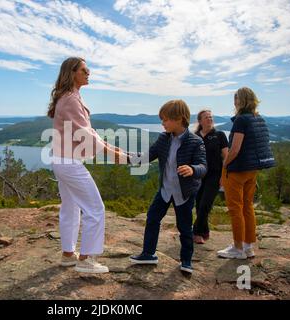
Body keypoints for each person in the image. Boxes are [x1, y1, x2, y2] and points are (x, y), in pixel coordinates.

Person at [47, 57, 127, 273]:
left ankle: (68, 255)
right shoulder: (71, 99)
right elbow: (86, 136)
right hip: (69, 163)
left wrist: (114, 149)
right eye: (84, 69)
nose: (88, 72)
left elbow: (88, 133)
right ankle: (86, 260)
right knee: (95, 209)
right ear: (72, 73)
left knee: (71, 208)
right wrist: (113, 154)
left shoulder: (69, 97)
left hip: (62, 160)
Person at [129, 100, 207, 274]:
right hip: (165, 190)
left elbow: (203, 167)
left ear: (179, 119)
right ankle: (149, 254)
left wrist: (192, 169)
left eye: (165, 120)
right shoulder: (164, 138)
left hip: (184, 193)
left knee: (185, 227)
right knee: (152, 219)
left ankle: (186, 261)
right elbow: (148, 156)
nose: (162, 123)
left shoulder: (195, 142)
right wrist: (127, 157)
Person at [217, 87, 276, 259]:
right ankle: (248, 247)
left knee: (236, 209)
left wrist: (225, 165)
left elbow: (234, 150)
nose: (234, 102)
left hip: (238, 170)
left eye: (235, 99)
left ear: (240, 101)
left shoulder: (241, 120)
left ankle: (237, 248)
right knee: (247, 207)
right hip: (253, 170)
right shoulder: (259, 119)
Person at [193, 110, 228, 244]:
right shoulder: (195, 136)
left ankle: (196, 232)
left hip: (214, 175)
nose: (209, 119)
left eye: (211, 117)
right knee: (198, 204)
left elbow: (226, 157)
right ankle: (205, 231)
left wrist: (224, 176)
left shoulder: (219, 135)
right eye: (206, 117)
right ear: (200, 121)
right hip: (198, 175)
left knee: (205, 204)